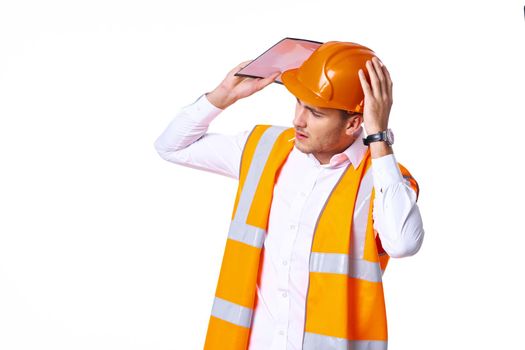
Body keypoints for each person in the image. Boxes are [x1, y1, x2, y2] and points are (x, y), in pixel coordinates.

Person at [154, 41, 424, 350]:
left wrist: (378, 137)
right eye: (298, 103)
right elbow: (171, 146)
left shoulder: (383, 178)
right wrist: (222, 97)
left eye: (315, 112)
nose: (298, 119)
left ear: (354, 123)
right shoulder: (262, 148)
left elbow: (403, 243)